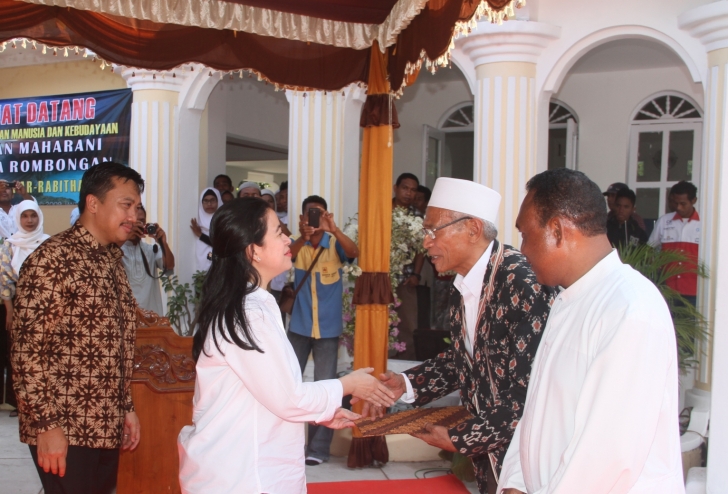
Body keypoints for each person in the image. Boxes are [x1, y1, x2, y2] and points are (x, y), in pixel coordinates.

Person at [177, 197, 394, 494]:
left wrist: (321, 412)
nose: (288, 239)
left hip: (247, 464)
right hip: (242, 474)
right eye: (278, 232)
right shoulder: (248, 313)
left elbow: (270, 391)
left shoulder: (253, 304)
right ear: (253, 250)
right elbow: (288, 397)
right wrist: (348, 384)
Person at [498, 169, 683, 494]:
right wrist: (516, 482)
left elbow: (607, 455)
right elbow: (538, 410)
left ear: (558, 230)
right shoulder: (569, 299)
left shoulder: (630, 308)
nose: (522, 250)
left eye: (525, 235)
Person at [368, 178, 555, 494]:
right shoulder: (463, 285)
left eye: (433, 231)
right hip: (488, 454)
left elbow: (531, 388)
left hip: (525, 461)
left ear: (472, 229)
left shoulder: (522, 282)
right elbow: (466, 360)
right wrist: (407, 383)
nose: (426, 243)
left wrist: (462, 438)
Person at [10, 162, 143, 494]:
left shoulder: (111, 260)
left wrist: (125, 408)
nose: (134, 216)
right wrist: (46, 426)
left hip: (105, 423)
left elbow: (116, 347)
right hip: (64, 427)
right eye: (126, 205)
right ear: (93, 203)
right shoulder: (53, 259)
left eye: (137, 207)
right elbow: (27, 353)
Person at [287, 195, 359, 466]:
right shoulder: (297, 244)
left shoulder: (334, 244)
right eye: (310, 214)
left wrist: (334, 230)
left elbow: (353, 252)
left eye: (320, 213)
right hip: (299, 326)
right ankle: (290, 445)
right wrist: (303, 237)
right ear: (302, 218)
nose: (314, 218)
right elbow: (287, 256)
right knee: (289, 384)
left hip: (327, 329)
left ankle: (318, 449)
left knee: (326, 387)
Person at [0, 200, 49, 417]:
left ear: (39, 216)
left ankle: (44, 402)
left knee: (43, 354)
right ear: (18, 219)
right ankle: (20, 403)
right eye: (25, 216)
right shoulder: (10, 245)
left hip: (46, 306)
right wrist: (10, 311)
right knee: (19, 355)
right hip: (19, 306)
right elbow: (4, 280)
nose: (29, 220)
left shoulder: (48, 244)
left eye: (33, 215)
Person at [648, 180, 700, 306]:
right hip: (668, 289)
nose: (678, 207)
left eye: (683, 203)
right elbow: (649, 249)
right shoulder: (664, 221)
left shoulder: (704, 223)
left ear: (693, 201)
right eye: (676, 203)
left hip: (695, 290)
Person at [392, 173, 424, 360]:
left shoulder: (417, 215)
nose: (409, 193)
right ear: (396, 188)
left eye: (413, 190)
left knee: (408, 324)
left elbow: (421, 249)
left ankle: (406, 364)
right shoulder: (383, 209)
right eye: (405, 188)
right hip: (382, 278)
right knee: (382, 322)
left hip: (407, 279)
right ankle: (381, 360)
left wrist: (416, 275)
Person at [121, 205, 175, 315]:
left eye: (141, 221)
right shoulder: (116, 251)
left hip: (152, 319)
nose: (138, 225)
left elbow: (169, 265)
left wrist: (163, 243)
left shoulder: (151, 250)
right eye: (134, 221)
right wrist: (126, 236)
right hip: (125, 318)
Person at [190, 188, 222, 272]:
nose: (209, 204)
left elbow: (221, 245)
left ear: (218, 201)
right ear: (201, 203)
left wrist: (201, 235)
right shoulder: (196, 221)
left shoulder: (224, 221)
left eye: (212, 200)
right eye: (206, 201)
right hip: (199, 268)